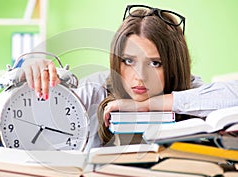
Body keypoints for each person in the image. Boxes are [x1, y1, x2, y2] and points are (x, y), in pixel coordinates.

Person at [18, 5, 238, 150]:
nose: (140, 77)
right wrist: (28, 70)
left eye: (155, 63)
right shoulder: (96, 89)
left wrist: (147, 105)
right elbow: (25, 118)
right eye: (129, 61)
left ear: (172, 66)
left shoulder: (191, 90)